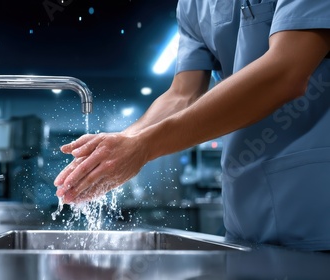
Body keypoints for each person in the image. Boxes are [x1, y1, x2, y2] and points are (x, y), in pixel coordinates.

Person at [54, 0, 330, 251]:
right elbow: (182, 94)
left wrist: (145, 146)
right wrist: (119, 146)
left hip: (314, 203)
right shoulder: (192, 5)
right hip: (246, 210)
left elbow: (286, 71)